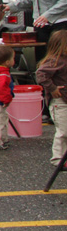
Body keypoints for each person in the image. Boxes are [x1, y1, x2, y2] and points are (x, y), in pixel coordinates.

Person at [36, 29, 67, 164]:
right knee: (63, 132)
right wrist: (52, 88)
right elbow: (40, 74)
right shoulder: (56, 61)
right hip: (60, 102)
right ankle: (58, 159)